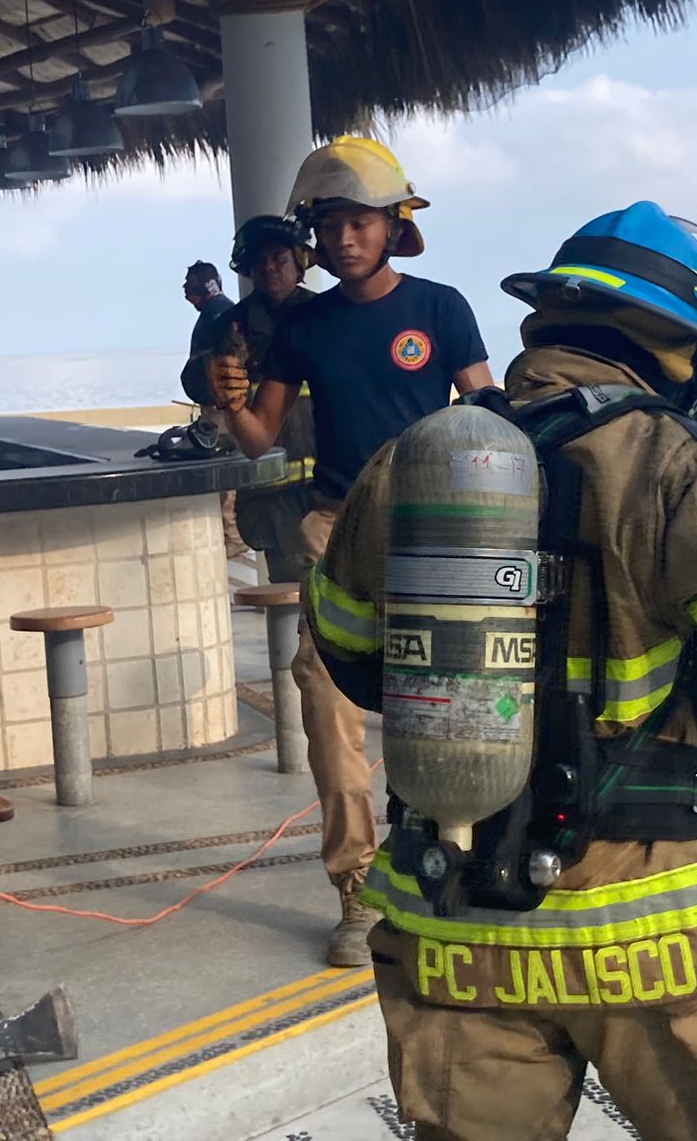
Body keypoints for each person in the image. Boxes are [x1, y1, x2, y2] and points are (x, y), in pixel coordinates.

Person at [302, 202, 697, 1140]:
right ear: (684, 345)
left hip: (454, 916)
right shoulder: (684, 468)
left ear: (547, 319)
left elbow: (356, 662)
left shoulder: (409, 463)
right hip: (652, 929)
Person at [208, 137, 495, 964]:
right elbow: (261, 432)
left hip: (438, 530)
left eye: (359, 221)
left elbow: (487, 414)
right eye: (329, 225)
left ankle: (457, 862)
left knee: (448, 703)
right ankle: (357, 888)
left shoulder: (441, 309)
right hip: (335, 533)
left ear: (395, 224)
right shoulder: (302, 324)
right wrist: (230, 404)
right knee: (325, 702)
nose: (342, 239)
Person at [182, 217, 317, 583]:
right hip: (272, 496)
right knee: (294, 600)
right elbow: (192, 379)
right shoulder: (231, 325)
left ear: (299, 264)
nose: (270, 267)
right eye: (261, 260)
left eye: (279, 258)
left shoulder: (327, 316)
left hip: (330, 491)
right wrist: (210, 372)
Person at [182, 261, 243, 557]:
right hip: (215, 405)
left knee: (224, 471)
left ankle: (232, 535)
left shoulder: (219, 315)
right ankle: (227, 533)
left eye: (189, 285)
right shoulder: (215, 314)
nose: (185, 291)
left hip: (222, 408)